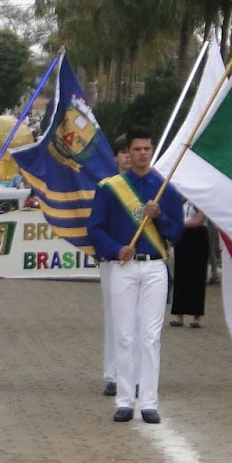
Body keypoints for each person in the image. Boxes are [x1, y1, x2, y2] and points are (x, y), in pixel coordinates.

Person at [87, 127, 185, 425]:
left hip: (155, 266)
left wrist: (160, 217)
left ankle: (149, 402)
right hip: (124, 267)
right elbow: (95, 227)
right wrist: (116, 250)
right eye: (137, 149)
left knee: (150, 336)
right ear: (127, 152)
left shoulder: (164, 188)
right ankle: (125, 400)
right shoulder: (110, 187)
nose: (142, 154)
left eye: (147, 149)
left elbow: (177, 232)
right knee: (125, 334)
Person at [97, 135, 129, 397]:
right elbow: (97, 225)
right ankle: (113, 373)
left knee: (141, 322)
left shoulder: (150, 186)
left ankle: (136, 372)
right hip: (114, 260)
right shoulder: (108, 187)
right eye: (124, 151)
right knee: (115, 317)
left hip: (143, 261)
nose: (129, 156)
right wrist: (105, 250)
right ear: (116, 157)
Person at [169, 201, 210, 329]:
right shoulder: (180, 202)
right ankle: (179, 315)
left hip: (197, 237)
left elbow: (199, 220)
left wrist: (176, 225)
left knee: (197, 276)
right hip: (182, 238)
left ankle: (196, 316)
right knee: (181, 275)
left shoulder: (201, 201)